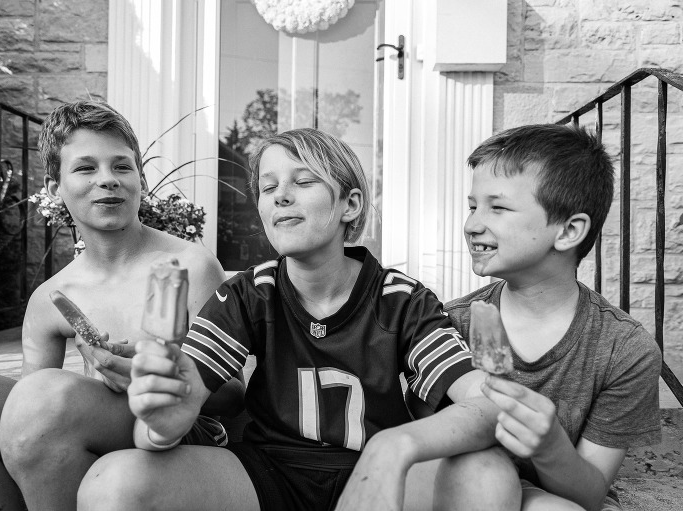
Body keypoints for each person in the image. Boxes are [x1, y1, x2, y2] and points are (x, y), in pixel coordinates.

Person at [76, 128, 503, 511]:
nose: (281, 195)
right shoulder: (248, 293)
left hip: (377, 470)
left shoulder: (402, 300)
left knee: (489, 475)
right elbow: (177, 405)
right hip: (268, 472)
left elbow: (486, 404)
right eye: (268, 187)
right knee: (113, 482)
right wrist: (161, 423)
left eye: (303, 181)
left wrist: (395, 446)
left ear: (350, 204)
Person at [0, 100, 244, 511]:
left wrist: (158, 376)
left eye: (122, 166)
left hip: (178, 433)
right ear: (55, 187)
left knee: (46, 402)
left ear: (140, 178)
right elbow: (25, 418)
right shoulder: (51, 297)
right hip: (96, 427)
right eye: (86, 168)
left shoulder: (188, 266)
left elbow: (234, 398)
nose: (108, 179)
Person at [341, 124, 662, 511]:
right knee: (487, 475)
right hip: (459, 485)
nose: (472, 225)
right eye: (472, 206)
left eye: (498, 207)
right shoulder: (447, 325)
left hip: (553, 494)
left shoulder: (625, 350)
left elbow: (589, 494)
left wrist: (550, 446)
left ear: (569, 231)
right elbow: (422, 455)